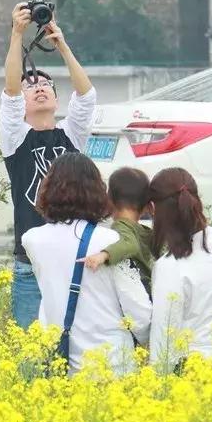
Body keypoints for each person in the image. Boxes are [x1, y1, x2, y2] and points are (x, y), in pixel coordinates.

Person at [0, 2, 97, 328]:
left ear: (56, 97)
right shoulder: (15, 138)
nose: (39, 87)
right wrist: (17, 34)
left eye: (45, 84)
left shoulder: (72, 136)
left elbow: (86, 97)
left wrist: (62, 45)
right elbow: (10, 93)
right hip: (30, 263)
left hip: (74, 259)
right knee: (29, 345)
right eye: (30, 85)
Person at [21, 153, 152, 375]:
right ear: (97, 192)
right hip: (112, 364)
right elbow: (137, 309)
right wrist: (148, 342)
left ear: (48, 190)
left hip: (62, 363)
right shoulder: (110, 240)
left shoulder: (32, 240)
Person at [148, 167, 212, 378]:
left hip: (194, 378)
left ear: (154, 209)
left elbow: (163, 341)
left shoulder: (170, 267)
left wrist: (156, 385)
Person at [77, 166, 154, 291]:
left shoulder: (121, 226)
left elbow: (130, 244)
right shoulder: (145, 230)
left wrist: (104, 255)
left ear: (110, 200)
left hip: (140, 290)